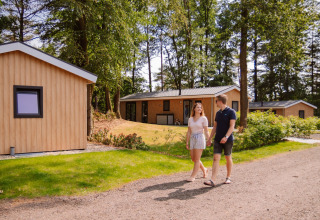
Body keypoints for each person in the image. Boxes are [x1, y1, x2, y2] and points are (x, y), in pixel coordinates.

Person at [204, 94, 236, 187]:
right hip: (217, 139)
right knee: (215, 158)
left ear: (220, 101)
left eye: (216, 101)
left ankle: (228, 177)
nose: (216, 103)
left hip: (228, 140)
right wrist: (209, 139)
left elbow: (232, 126)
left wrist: (226, 137)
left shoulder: (231, 112)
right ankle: (212, 180)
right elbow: (215, 126)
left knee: (227, 157)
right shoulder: (218, 113)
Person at [186, 103, 210, 182]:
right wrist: (187, 142)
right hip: (192, 138)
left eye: (201, 107)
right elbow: (189, 131)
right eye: (198, 107)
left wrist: (209, 139)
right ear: (194, 109)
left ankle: (193, 176)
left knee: (197, 159)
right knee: (194, 159)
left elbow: (206, 131)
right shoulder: (190, 119)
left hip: (200, 138)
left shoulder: (203, 119)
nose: (200, 109)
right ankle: (204, 169)